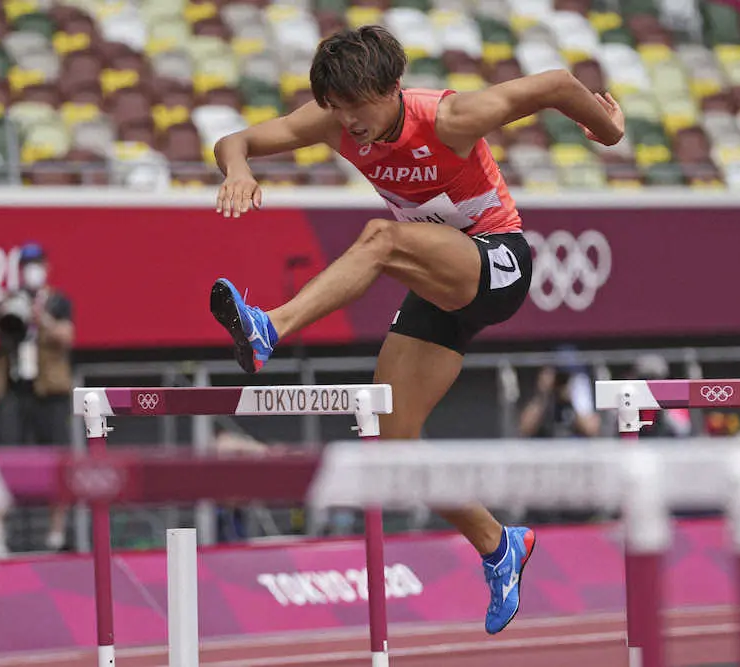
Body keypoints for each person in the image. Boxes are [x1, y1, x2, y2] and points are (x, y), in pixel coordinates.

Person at [209, 26, 624, 635]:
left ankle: (269, 328)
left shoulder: (452, 117)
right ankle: (498, 543)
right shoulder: (333, 119)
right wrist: (238, 171)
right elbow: (233, 139)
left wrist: (607, 129)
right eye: (339, 107)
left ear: (393, 88)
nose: (350, 122)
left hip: (496, 262)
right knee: (392, 436)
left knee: (382, 238)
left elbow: (558, 85)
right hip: (438, 278)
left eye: (360, 106)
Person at [0, 243, 75, 553]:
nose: (31, 268)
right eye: (26, 263)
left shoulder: (58, 301)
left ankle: (56, 535)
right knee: (5, 462)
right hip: (15, 389)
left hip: (49, 392)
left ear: (46, 265)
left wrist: (40, 315)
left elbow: (67, 336)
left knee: (57, 460)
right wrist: (7, 309)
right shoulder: (11, 299)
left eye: (36, 263)